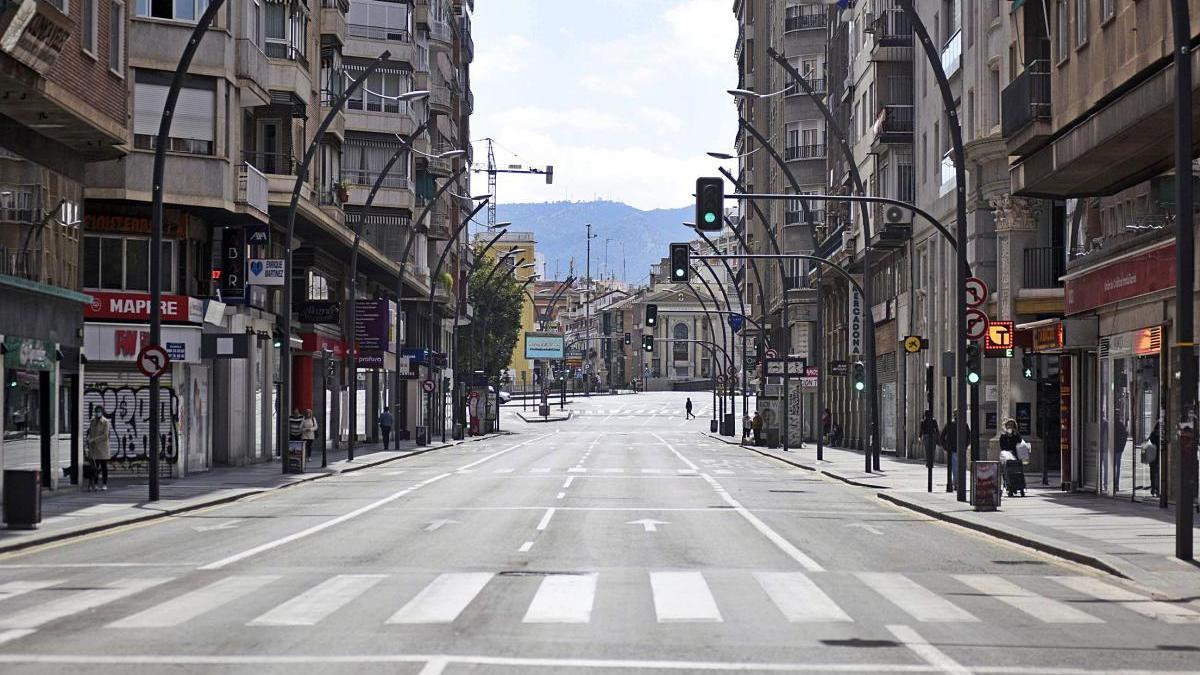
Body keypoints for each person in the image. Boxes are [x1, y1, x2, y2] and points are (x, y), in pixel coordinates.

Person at [940, 413, 970, 492]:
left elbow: (942, 437)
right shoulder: (964, 424)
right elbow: (969, 437)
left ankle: (957, 483)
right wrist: (965, 446)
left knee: (955, 468)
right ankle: (958, 483)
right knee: (960, 467)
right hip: (959, 449)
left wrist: (945, 447)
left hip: (953, 449)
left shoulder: (950, 424)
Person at [86, 407, 112, 491]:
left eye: (99, 411)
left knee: (104, 467)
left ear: (102, 412)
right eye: (96, 411)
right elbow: (90, 432)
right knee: (94, 467)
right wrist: (88, 439)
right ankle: (95, 484)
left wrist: (94, 440)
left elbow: (105, 435)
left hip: (103, 448)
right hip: (94, 448)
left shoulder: (106, 422)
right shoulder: (92, 421)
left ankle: (104, 484)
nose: (98, 413)